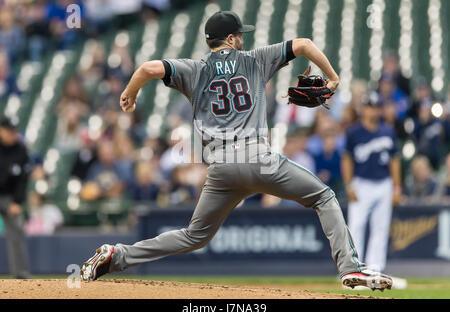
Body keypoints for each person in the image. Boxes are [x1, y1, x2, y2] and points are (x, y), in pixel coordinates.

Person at [81, 11, 393, 290]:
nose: (242, 38)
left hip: (221, 167)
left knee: (194, 235)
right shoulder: (256, 59)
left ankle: (117, 256)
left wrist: (129, 94)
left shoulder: (194, 68)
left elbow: (149, 67)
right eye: (239, 34)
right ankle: (350, 269)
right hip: (258, 158)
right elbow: (304, 44)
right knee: (324, 196)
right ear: (230, 38)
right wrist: (334, 76)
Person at [341, 94, 402, 284]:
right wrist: (349, 184)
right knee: (356, 226)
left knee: (380, 228)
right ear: (364, 109)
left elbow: (395, 160)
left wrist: (397, 186)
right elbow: (347, 159)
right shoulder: (353, 132)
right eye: (370, 106)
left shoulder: (387, 131)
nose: (373, 110)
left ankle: (375, 270)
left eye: (376, 107)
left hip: (383, 183)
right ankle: (354, 270)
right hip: (361, 183)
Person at [0, 117, 32, 279]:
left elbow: (23, 180)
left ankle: (21, 274)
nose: (13, 134)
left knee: (17, 230)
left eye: (14, 131)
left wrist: (17, 202)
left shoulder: (20, 149)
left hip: (9, 197)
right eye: (9, 131)